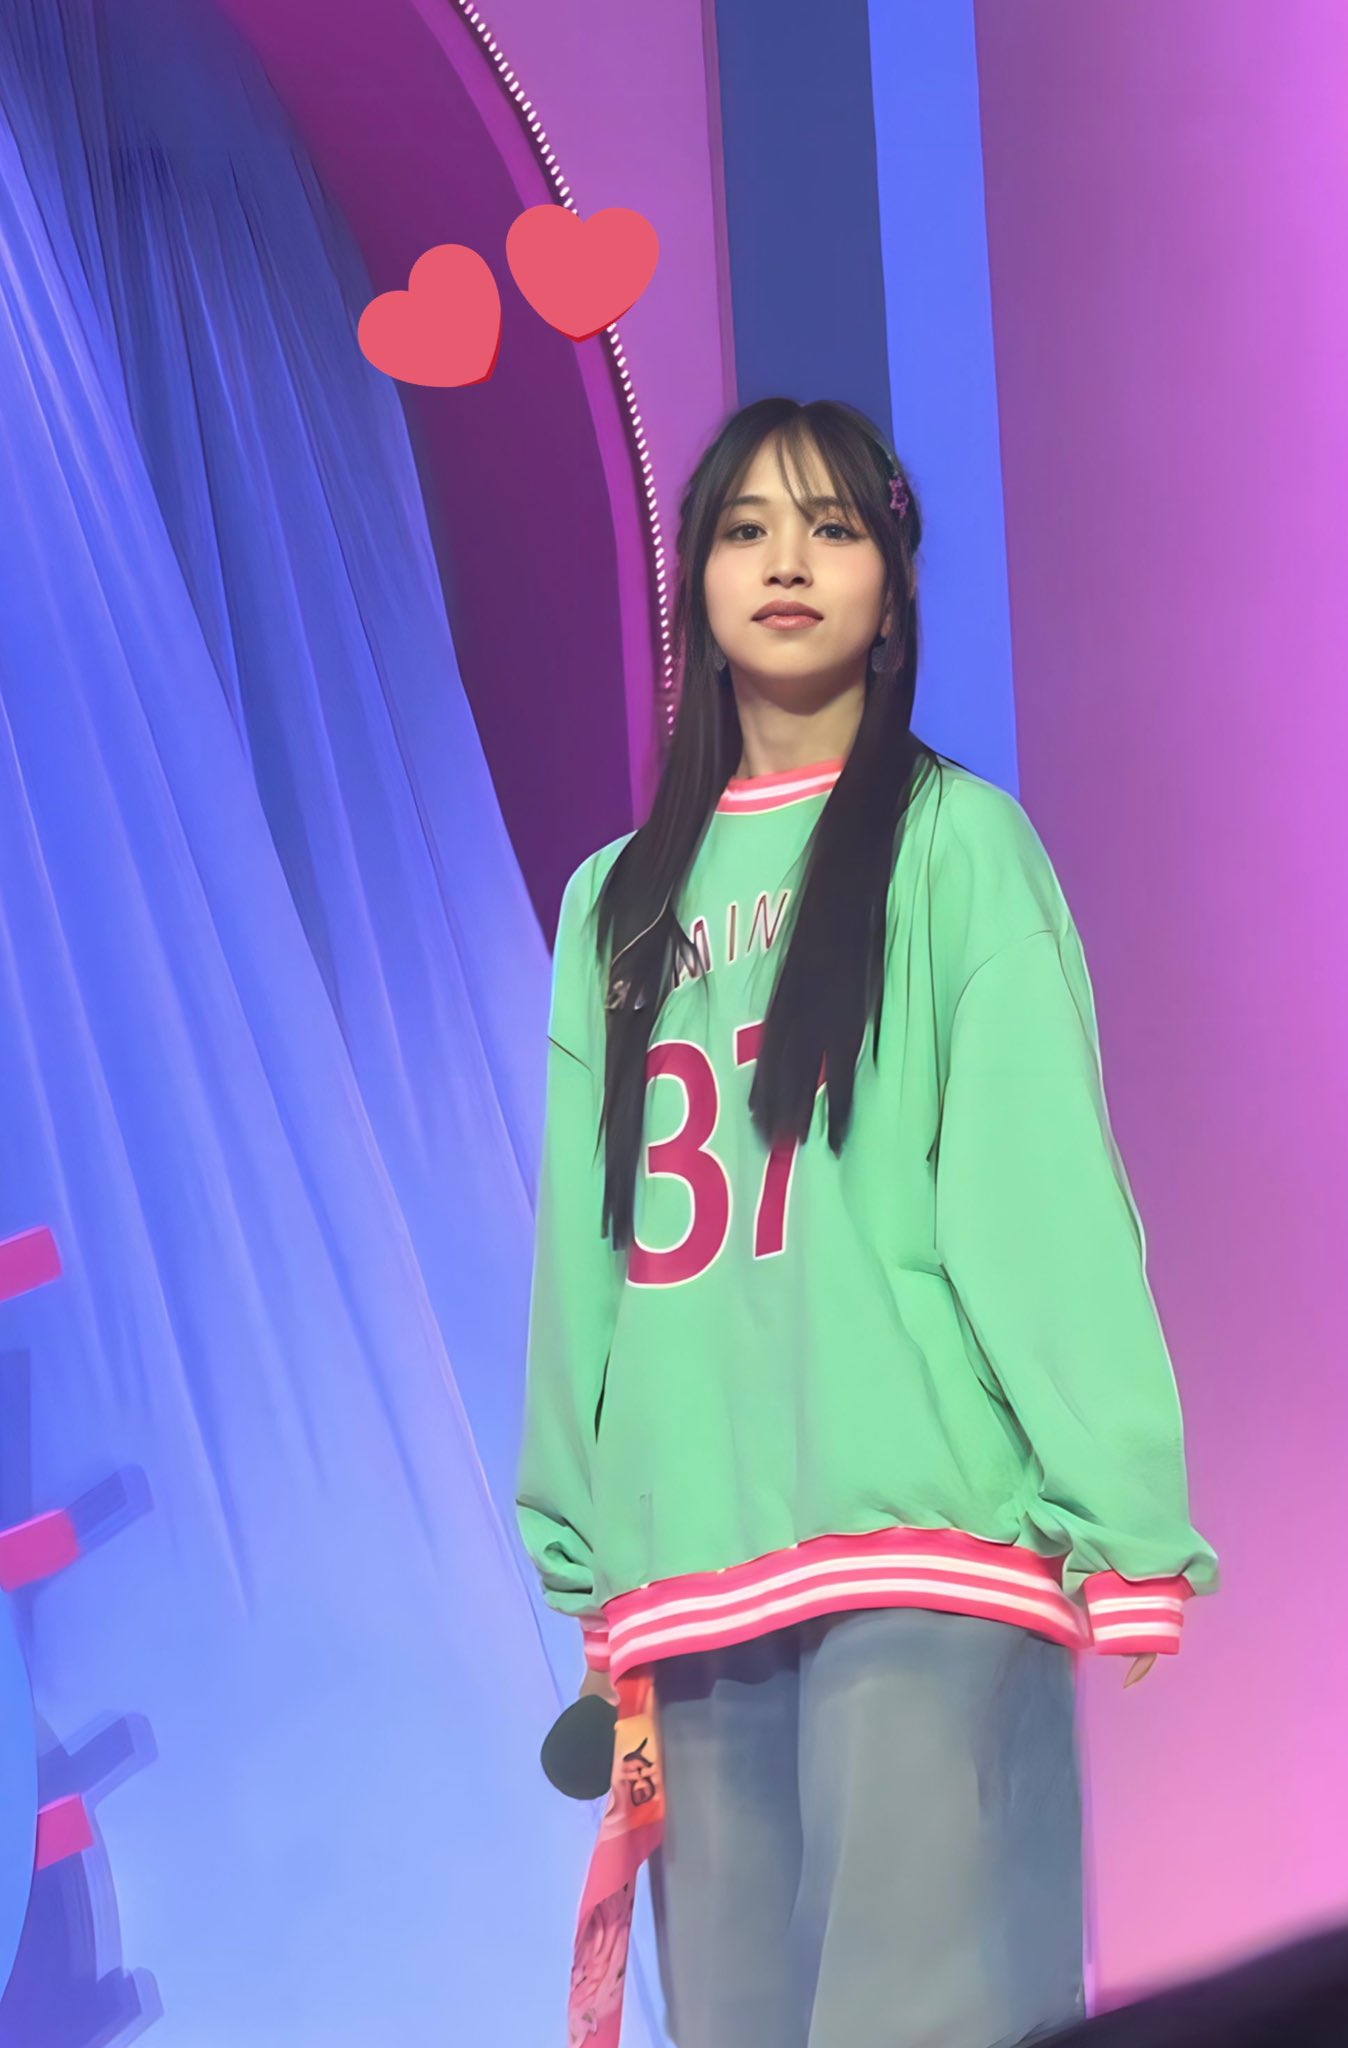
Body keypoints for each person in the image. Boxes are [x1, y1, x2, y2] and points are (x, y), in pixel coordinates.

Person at [516, 396, 1220, 2048]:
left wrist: (1121, 1512)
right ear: (696, 583)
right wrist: (591, 1546)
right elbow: (581, 1256)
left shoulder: (955, 846)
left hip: (924, 1548)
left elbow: (1034, 1192)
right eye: (745, 528)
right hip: (693, 1574)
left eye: (832, 528)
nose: (787, 561)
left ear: (892, 588)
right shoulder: (614, 903)